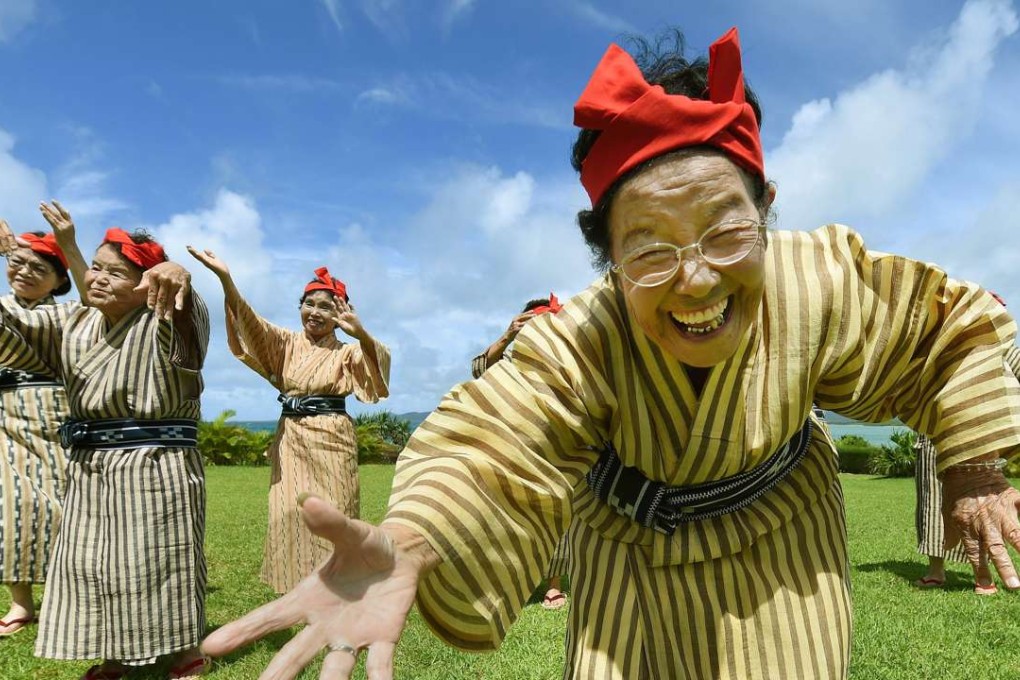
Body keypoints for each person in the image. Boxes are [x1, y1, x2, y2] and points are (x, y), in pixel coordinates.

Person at [202, 27, 1020, 680]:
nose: (696, 279)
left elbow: (948, 330)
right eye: (650, 250)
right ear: (608, 261)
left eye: (726, 230)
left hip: (785, 550)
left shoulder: (817, 280)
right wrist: (410, 541)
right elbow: (492, 444)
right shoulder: (583, 336)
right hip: (627, 557)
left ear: (766, 208)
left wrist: (975, 466)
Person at [0, 210, 211, 680]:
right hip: (89, 465)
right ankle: (115, 654)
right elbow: (8, 320)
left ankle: (183, 649)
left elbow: (186, 313)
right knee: (93, 562)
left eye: (116, 272)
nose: (96, 277)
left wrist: (178, 275)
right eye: (95, 267)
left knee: (161, 558)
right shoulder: (71, 322)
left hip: (157, 463)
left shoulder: (162, 318)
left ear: (146, 284)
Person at [188, 248, 391, 593]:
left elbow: (377, 373)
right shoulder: (285, 343)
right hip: (291, 440)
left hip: (331, 439)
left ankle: (341, 585)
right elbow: (250, 322)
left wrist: (363, 336)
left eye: (326, 306)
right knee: (290, 514)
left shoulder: (346, 351)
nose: (314, 313)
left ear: (341, 314)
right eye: (309, 303)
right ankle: (298, 589)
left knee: (336, 513)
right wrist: (226, 279)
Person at [471, 294, 571, 610]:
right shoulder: (512, 360)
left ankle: (553, 584)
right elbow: (479, 370)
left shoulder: (565, 361)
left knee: (556, 516)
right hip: (513, 448)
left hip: (555, 450)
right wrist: (507, 334)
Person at [0, 222, 72, 638]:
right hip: (6, 413)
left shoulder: (64, 312)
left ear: (60, 279)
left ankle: (69, 595)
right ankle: (21, 603)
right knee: (11, 505)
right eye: (16, 262)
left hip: (54, 414)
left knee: (63, 506)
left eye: (38, 267)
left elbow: (20, 328)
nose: (24, 272)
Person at [914, 341, 1020, 594]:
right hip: (934, 427)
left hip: (979, 430)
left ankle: (981, 575)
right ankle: (936, 569)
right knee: (932, 504)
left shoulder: (988, 322)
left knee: (978, 504)